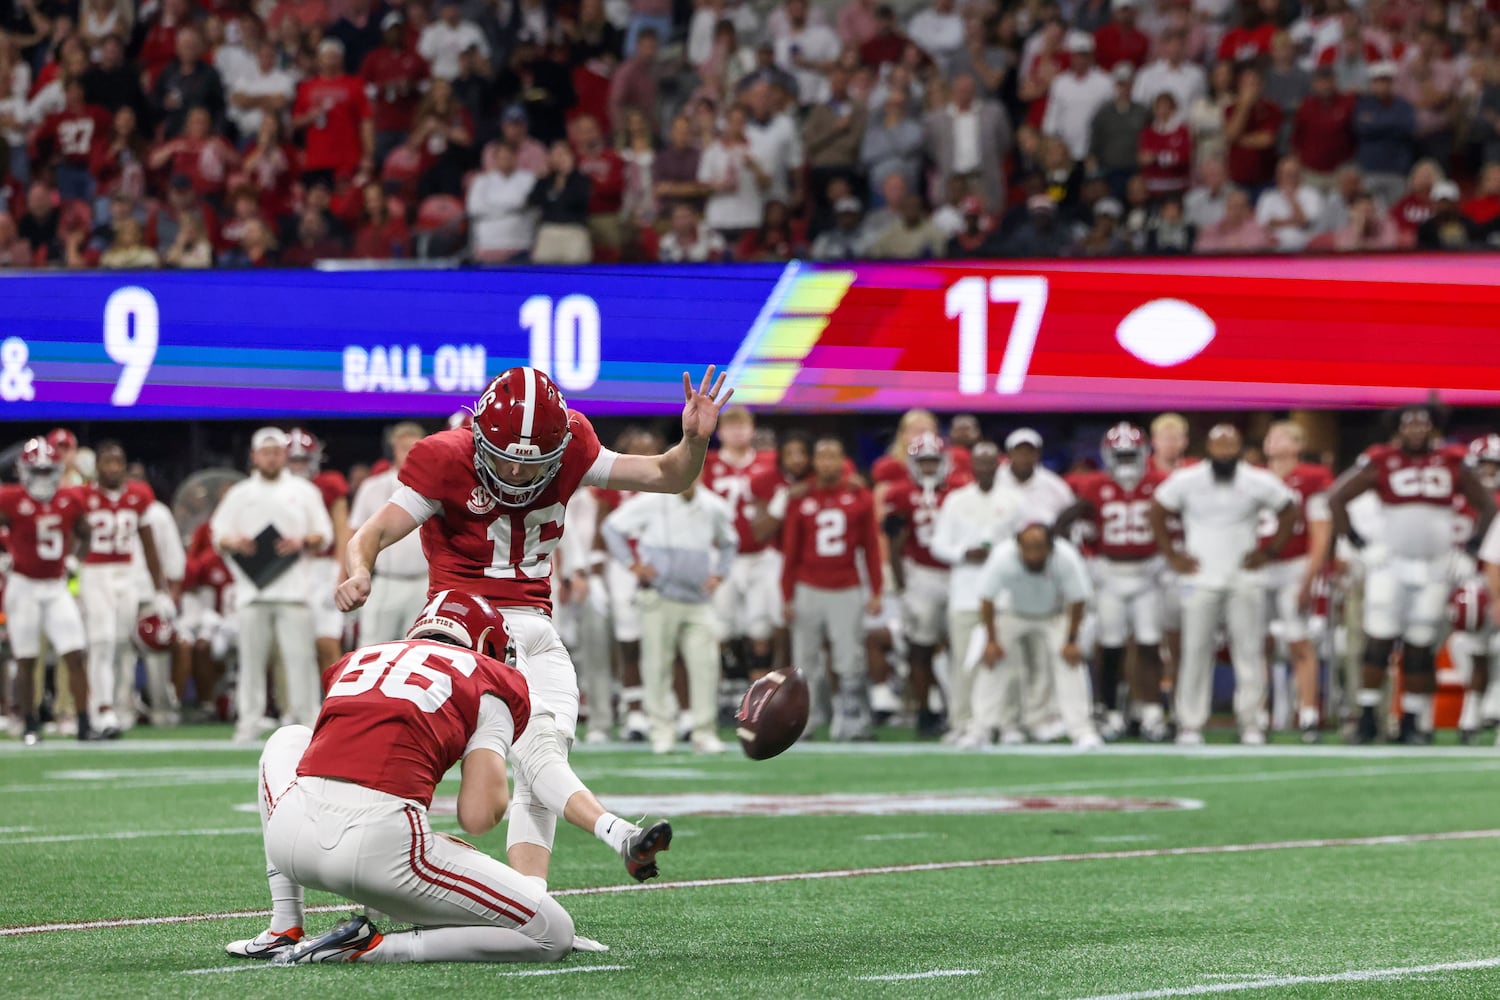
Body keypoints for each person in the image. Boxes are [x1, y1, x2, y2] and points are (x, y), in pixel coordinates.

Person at [335, 366, 731, 884]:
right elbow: (372, 531)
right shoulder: (443, 456)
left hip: (538, 626)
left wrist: (694, 441)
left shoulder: (575, 444)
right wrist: (360, 570)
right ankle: (617, 833)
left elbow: (668, 475)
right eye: (503, 461)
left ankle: (531, 903)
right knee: (532, 752)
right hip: (465, 631)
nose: (518, 476)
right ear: (476, 437)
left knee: (540, 765)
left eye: (533, 464)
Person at [226, 591, 670, 964]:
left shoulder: (358, 659)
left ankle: (284, 923)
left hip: (290, 842)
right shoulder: (488, 676)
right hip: (382, 853)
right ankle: (374, 948)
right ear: (487, 645)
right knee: (553, 933)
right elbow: (478, 815)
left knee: (287, 738)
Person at [1330, 405, 1494, 744]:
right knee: (1379, 640)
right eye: (1410, 424)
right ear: (1398, 429)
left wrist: (1471, 548)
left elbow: (1488, 506)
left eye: (1423, 423)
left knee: (1421, 644)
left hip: (1435, 565)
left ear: (1433, 428)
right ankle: (1367, 719)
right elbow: (1337, 498)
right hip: (1390, 563)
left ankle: (1413, 721)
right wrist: (1361, 544)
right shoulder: (1381, 459)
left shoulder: (1452, 460)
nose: (1417, 430)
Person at [1150, 424, 1297, 745]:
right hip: (1199, 577)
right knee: (1195, 651)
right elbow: (1157, 511)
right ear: (1208, 450)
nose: (1225, 455)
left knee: (1249, 651)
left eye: (1231, 448)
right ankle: (1190, 723)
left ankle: (1252, 722)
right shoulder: (1188, 480)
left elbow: (1289, 509)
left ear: (1240, 449)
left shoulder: (1256, 480)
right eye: (1219, 448)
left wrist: (1270, 551)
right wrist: (1172, 555)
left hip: (1244, 577)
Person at [211, 427, 334, 743]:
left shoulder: (304, 491)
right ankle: (248, 723)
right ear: (254, 456)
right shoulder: (240, 494)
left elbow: (324, 535)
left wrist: (301, 541)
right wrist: (235, 541)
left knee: (300, 662)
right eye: (265, 452)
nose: (271, 457)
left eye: (276, 452)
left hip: (294, 592)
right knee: (250, 664)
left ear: (284, 455)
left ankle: (308, 723)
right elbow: (218, 535)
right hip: (252, 592)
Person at [601, 475, 737, 754]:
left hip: (698, 600)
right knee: (656, 665)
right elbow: (612, 528)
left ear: (699, 472)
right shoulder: (652, 501)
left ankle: (704, 732)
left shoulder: (714, 506)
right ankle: (662, 732)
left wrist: (719, 574)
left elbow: (729, 542)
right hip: (658, 597)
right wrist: (633, 565)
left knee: (706, 665)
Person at [1055, 423, 1168, 741]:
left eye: (1131, 456)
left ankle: (1151, 709)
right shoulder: (1092, 485)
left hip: (1148, 572)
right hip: (1108, 573)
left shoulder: (1160, 484)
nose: (1126, 463)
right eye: (1119, 456)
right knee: (1111, 644)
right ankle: (1110, 709)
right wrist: (1083, 555)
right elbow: (1067, 518)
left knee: (1149, 643)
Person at [780, 436, 882, 741]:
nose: (827, 463)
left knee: (849, 657)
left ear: (842, 461)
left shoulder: (859, 496)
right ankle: (805, 720)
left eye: (832, 456)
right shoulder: (801, 497)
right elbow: (791, 551)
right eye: (821, 457)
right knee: (805, 658)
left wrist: (876, 589)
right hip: (808, 586)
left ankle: (851, 719)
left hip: (846, 585)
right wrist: (787, 595)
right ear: (814, 462)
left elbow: (872, 548)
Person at [0, 438, 95, 742]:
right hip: (23, 585)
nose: (42, 479)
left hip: (56, 586)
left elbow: (85, 533)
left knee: (75, 652)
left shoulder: (70, 499)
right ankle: (30, 723)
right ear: (24, 472)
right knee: (26, 658)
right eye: (36, 472)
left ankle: (83, 723)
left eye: (47, 471)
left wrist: (74, 561)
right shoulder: (10, 499)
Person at [976, 523, 1101, 749]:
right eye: (1028, 548)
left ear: (1050, 548)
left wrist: (1072, 641)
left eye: (1039, 548)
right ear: (1018, 547)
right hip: (1013, 613)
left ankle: (1082, 730)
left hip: (1053, 614)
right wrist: (991, 641)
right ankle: (982, 728)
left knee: (1070, 661)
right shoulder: (1002, 558)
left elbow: (1078, 598)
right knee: (992, 660)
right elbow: (986, 598)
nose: (1033, 555)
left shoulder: (1066, 558)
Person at [930, 442, 1023, 745]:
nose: (984, 469)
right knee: (964, 662)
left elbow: (1028, 542)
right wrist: (962, 553)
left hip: (1005, 594)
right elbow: (938, 544)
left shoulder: (1014, 500)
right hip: (966, 592)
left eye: (989, 463)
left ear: (999, 465)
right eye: (979, 464)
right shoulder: (956, 501)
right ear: (971, 466)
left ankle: (1007, 722)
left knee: (1007, 660)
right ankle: (964, 721)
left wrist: (1000, 554)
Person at [79, 441, 170, 736]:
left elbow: (149, 545)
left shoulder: (138, 496)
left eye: (118, 462)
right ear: (97, 466)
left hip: (127, 572)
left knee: (120, 643)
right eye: (107, 462)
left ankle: (118, 706)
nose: (113, 467)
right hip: (95, 571)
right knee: (101, 641)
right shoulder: (81, 496)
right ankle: (101, 708)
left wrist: (159, 590)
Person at [885, 432, 971, 737]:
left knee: (960, 646)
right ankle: (924, 711)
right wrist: (902, 586)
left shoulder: (960, 490)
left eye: (934, 461)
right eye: (923, 462)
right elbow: (894, 543)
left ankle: (961, 709)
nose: (929, 468)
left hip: (959, 574)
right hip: (921, 573)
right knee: (920, 647)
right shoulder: (900, 493)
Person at [1258, 421, 1333, 742]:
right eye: (1270, 435)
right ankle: (1256, 713)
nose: (1272, 441)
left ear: (1298, 445)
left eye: (1282, 436)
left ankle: (1308, 713)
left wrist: (1309, 577)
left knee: (1299, 641)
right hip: (1259, 566)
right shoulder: (1253, 477)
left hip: (1295, 565)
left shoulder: (1312, 479)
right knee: (1256, 643)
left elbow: (1321, 532)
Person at [700, 407, 780, 679]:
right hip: (721, 554)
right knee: (723, 624)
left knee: (760, 625)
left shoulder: (770, 462)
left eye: (742, 426)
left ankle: (759, 685)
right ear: (720, 431)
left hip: (761, 555)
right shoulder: (706, 463)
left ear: (753, 430)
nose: (737, 432)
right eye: (731, 426)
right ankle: (729, 683)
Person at [348, 422, 429, 645]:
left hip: (425, 582)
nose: (410, 454)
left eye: (416, 448)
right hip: (385, 581)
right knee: (371, 649)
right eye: (405, 448)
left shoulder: (436, 485)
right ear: (393, 450)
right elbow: (355, 534)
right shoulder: (372, 487)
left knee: (420, 652)